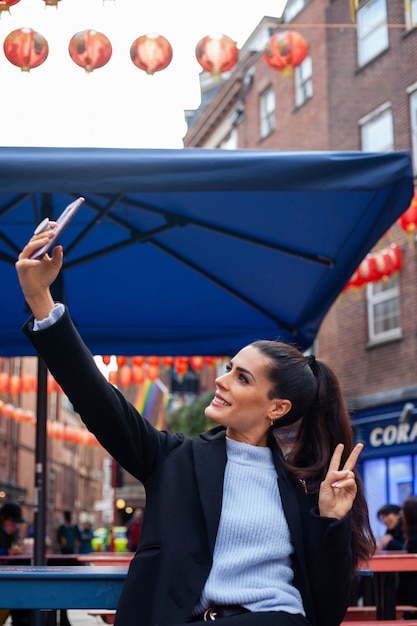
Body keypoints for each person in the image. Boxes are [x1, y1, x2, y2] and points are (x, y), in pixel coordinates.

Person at [15, 229, 376, 626]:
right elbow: (97, 398)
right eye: (228, 370)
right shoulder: (173, 459)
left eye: (243, 378)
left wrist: (332, 522)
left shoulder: (304, 487)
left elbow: (328, 612)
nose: (222, 381)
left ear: (278, 407)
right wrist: (40, 300)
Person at [0, 501, 31, 626]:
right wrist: (7, 551)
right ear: (3, 518)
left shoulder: (10, 534)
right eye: (12, 521)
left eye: (16, 522)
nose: (15, 525)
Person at [397, 496, 417, 619]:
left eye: (403, 510)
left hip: (413, 588)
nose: (400, 514)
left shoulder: (414, 540)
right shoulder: (411, 536)